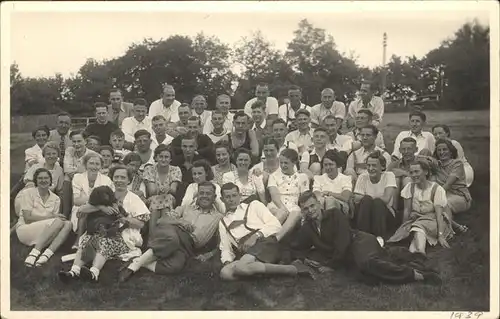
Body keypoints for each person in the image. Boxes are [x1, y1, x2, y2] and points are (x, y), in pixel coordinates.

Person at [292, 191, 442, 285]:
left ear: (319, 204)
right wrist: (304, 259)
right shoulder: (308, 228)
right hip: (348, 257)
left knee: (368, 263)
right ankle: (407, 259)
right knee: (368, 278)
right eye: (305, 209)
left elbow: (343, 243)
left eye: (312, 206)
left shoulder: (334, 214)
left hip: (359, 241)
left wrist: (330, 265)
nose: (310, 211)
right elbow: (297, 247)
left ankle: (418, 275)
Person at [58, 165, 150, 282]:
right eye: (116, 177)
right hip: (101, 231)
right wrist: (101, 207)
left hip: (124, 237)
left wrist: (123, 219)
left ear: (129, 180)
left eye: (123, 177)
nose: (119, 180)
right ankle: (73, 272)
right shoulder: (104, 193)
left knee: (103, 241)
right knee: (88, 240)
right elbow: (81, 210)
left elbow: (141, 224)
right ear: (112, 178)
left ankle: (94, 273)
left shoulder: (134, 199)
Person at [118, 182, 223, 281]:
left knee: (175, 266)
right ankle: (133, 267)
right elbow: (162, 220)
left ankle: (138, 260)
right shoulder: (185, 208)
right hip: (171, 232)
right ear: (197, 196)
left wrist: (208, 255)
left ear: (214, 197)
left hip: (188, 245)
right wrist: (180, 222)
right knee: (172, 239)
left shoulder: (218, 217)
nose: (204, 196)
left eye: (208, 193)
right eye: (201, 193)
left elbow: (220, 242)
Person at [218, 183, 315, 281]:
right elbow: (225, 248)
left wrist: (256, 235)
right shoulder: (223, 222)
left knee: (240, 268)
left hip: (264, 242)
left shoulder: (254, 205)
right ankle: (264, 270)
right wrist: (227, 262)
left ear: (239, 195)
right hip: (246, 251)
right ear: (222, 199)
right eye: (227, 197)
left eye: (234, 195)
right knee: (225, 273)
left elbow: (275, 224)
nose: (231, 199)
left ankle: (290, 269)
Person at [387, 160, 453, 255]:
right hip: (416, 219)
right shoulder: (410, 187)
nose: (414, 175)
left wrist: (441, 235)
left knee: (418, 228)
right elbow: (407, 210)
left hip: (434, 221)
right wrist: (404, 227)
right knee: (415, 230)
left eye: (417, 172)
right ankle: (416, 255)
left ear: (426, 172)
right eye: (411, 172)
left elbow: (439, 215)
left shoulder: (436, 189)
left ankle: (421, 252)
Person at [15, 168, 72, 267]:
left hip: (45, 232)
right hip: (26, 229)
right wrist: (51, 216)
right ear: (36, 181)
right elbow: (27, 218)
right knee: (58, 221)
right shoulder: (28, 193)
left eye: (46, 178)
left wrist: (54, 218)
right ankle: (34, 253)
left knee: (68, 224)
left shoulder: (56, 199)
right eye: (40, 178)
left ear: (50, 181)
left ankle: (46, 255)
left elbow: (54, 224)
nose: (43, 180)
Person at [70, 153, 115, 246]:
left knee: (85, 210)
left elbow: (110, 201)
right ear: (86, 164)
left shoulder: (106, 180)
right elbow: (77, 201)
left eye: (97, 164)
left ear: (101, 166)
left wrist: (97, 205)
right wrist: (99, 205)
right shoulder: (77, 177)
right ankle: (79, 240)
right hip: (84, 209)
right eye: (91, 163)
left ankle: (82, 241)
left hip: (100, 210)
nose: (94, 166)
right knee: (83, 211)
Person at [353, 151, 398, 241]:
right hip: (367, 215)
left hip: (385, 215)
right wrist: (369, 199)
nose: (370, 168)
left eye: (374, 165)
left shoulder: (389, 176)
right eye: (368, 165)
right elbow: (356, 199)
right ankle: (363, 237)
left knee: (377, 202)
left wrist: (370, 199)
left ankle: (380, 238)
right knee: (366, 200)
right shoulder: (362, 177)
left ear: (382, 167)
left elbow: (386, 199)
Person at [429, 139, 472, 232]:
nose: (442, 152)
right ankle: (456, 226)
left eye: (445, 150)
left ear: (451, 151)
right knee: (431, 206)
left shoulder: (457, 163)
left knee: (442, 203)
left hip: (459, 196)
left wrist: (434, 197)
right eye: (439, 150)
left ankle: (449, 230)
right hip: (443, 194)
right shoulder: (436, 166)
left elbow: (448, 184)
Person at [267, 149, 309, 240]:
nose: (282, 165)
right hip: (277, 205)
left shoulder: (302, 177)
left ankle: (275, 239)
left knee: (296, 213)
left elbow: (305, 198)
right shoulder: (274, 176)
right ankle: (266, 234)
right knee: (282, 213)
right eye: (281, 162)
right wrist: (282, 208)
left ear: (294, 163)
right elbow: (274, 195)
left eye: (286, 163)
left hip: (293, 205)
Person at [142, 144, 182, 232]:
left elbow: (173, 190)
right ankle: (158, 238)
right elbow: (152, 191)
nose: (163, 159)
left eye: (166, 157)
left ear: (171, 159)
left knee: (166, 199)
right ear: (156, 157)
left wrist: (167, 189)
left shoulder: (175, 170)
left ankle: (154, 239)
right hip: (152, 200)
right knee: (158, 203)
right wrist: (163, 189)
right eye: (161, 156)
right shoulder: (149, 169)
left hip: (170, 199)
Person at [61, 130, 99, 217]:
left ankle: (74, 214)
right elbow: (67, 169)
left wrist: (76, 171)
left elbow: (93, 170)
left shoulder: (92, 154)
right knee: (67, 178)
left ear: (85, 141)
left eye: (79, 141)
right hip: (71, 179)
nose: (76, 144)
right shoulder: (69, 150)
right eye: (74, 141)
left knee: (72, 179)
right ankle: (66, 213)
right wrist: (79, 170)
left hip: (86, 180)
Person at [312, 150, 352, 215]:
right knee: (321, 201)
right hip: (323, 204)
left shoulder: (345, 178)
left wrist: (328, 193)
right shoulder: (318, 179)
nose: (328, 167)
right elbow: (316, 195)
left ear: (337, 165)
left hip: (341, 208)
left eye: (331, 164)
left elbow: (345, 197)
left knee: (330, 200)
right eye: (325, 165)